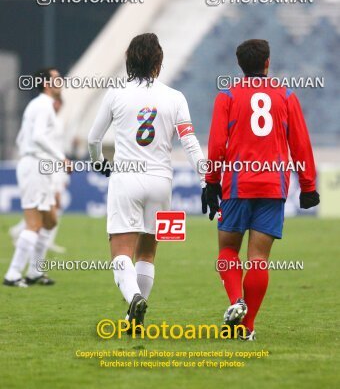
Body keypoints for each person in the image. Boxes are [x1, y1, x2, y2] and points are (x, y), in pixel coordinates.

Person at [203, 39, 320, 340]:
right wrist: (308, 186)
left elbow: (216, 145)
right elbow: (301, 143)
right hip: (272, 184)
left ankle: (235, 302)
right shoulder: (286, 95)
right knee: (259, 259)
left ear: (239, 65)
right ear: (267, 62)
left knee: (228, 249)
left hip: (237, 185)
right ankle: (248, 327)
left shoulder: (226, 96)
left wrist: (212, 181)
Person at [88, 33, 205, 330]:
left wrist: (99, 162)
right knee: (148, 253)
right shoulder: (175, 97)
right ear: (158, 61)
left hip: (126, 178)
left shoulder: (115, 93)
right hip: (161, 181)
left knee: (120, 251)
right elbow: (190, 143)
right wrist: (206, 181)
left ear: (130, 59)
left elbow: (93, 138)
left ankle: (134, 298)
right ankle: (132, 319)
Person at [3, 68, 72, 287]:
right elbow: (37, 136)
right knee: (34, 223)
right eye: (56, 78)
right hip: (35, 165)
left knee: (50, 221)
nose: (59, 80)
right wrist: (61, 157)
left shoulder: (39, 105)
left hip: (38, 166)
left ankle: (34, 271)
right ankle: (13, 274)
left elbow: (23, 137)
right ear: (46, 83)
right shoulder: (43, 105)